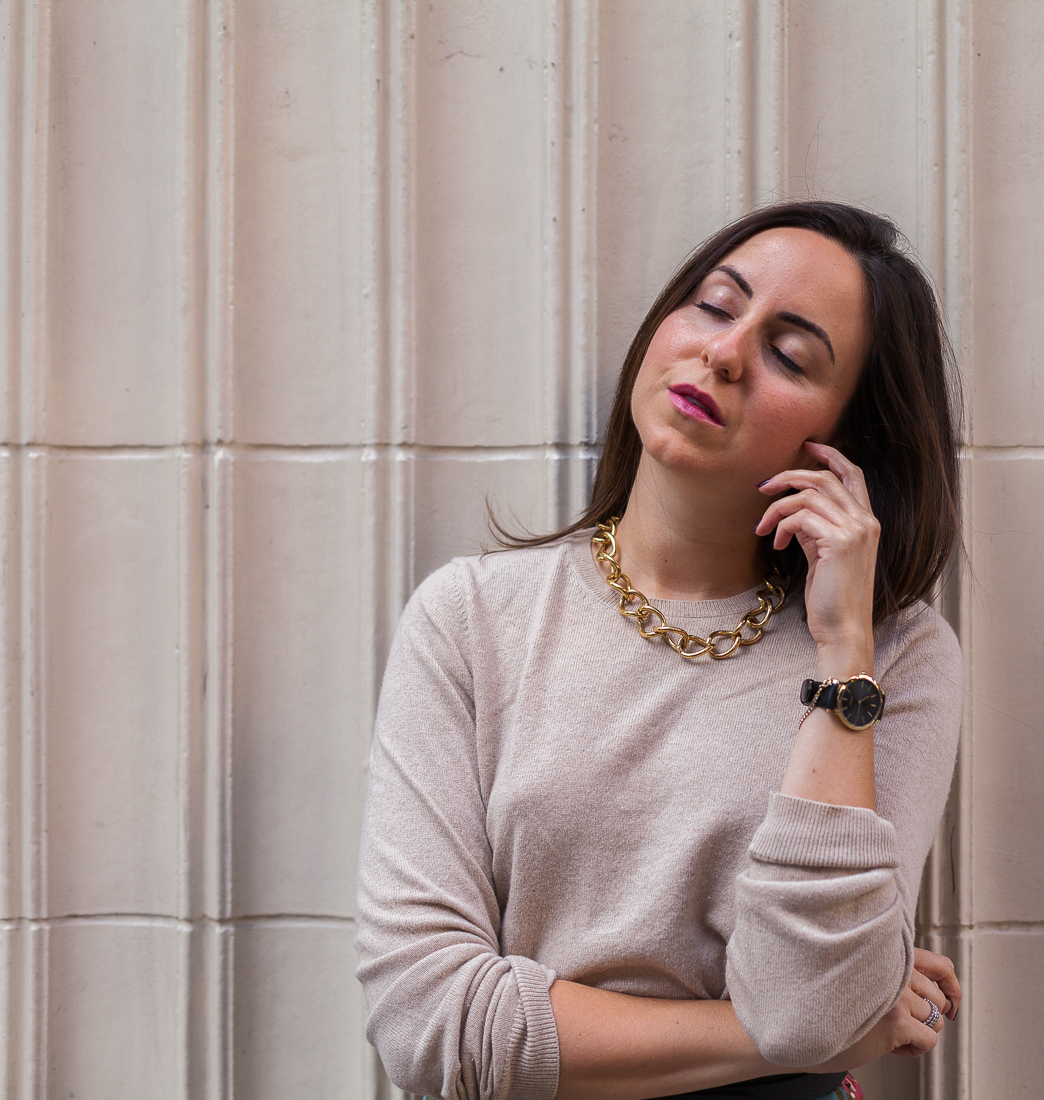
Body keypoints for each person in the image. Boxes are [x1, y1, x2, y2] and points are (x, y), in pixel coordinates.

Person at [355, 201, 965, 1100]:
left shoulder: (895, 657)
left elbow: (812, 1008)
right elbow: (430, 1023)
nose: (724, 354)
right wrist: (798, 1032)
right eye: (717, 306)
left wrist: (843, 652)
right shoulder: (472, 618)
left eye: (790, 355)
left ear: (844, 441)